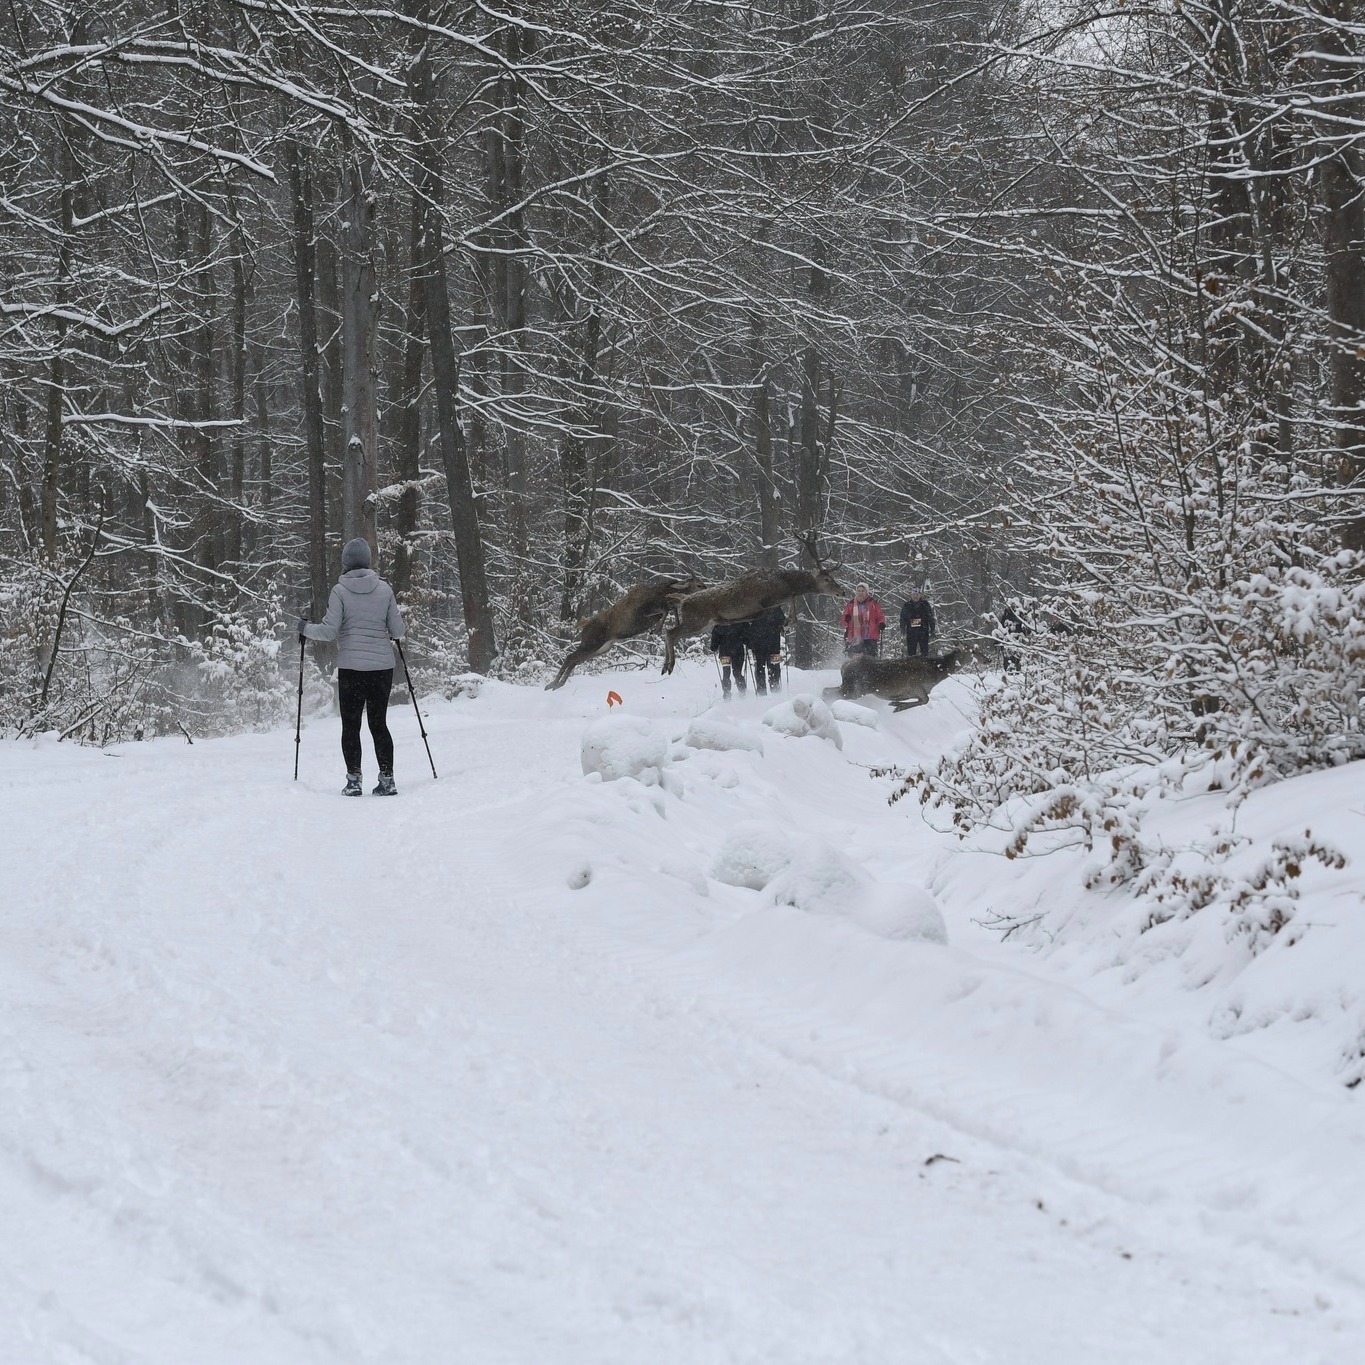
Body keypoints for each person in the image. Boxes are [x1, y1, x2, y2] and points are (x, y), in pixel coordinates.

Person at [297, 538, 406, 796]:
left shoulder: (340, 591)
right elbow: (398, 631)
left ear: (346, 563)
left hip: (352, 670)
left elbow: (329, 631)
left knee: (351, 725)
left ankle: (354, 781)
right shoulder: (384, 590)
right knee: (379, 724)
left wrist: (304, 628)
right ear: (368, 561)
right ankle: (387, 779)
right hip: (382, 668)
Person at [744, 607, 785, 696]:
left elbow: (747, 625)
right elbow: (782, 621)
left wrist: (749, 641)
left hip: (760, 644)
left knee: (761, 667)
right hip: (770, 644)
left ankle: (763, 690)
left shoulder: (755, 608)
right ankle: (774, 689)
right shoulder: (775, 607)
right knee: (772, 667)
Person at [841, 584, 886, 658]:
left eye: (862, 591)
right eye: (858, 591)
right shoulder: (851, 603)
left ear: (867, 592)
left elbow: (879, 616)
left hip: (870, 635)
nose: (860, 593)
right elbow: (844, 617)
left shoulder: (873, 603)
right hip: (855, 636)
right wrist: (846, 618)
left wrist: (881, 623)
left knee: (871, 658)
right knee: (856, 660)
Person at [708, 619, 748, 699]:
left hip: (725, 652)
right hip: (738, 652)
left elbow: (715, 638)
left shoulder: (720, 623)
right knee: (737, 673)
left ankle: (727, 693)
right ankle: (742, 691)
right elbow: (745, 636)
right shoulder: (739, 621)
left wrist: (713, 647)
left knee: (726, 673)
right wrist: (748, 642)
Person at [899, 586, 936, 657]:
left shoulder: (925, 605)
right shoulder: (907, 606)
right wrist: (902, 629)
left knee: (924, 654)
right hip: (911, 632)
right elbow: (902, 619)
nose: (915, 596)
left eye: (917, 594)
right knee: (911, 654)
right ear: (911, 595)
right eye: (914, 594)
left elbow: (930, 617)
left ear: (920, 595)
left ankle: (924, 666)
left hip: (923, 631)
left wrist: (932, 628)